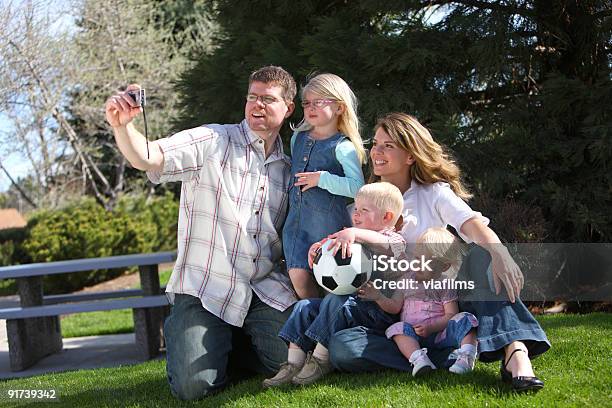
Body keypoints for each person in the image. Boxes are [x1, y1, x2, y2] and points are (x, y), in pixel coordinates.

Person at [104, 66, 299, 400]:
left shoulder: (288, 168)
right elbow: (149, 157)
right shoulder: (213, 140)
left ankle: (227, 343)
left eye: (268, 99)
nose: (257, 104)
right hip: (204, 288)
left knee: (292, 363)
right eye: (252, 97)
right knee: (194, 388)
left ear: (288, 108)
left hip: (261, 289)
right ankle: (199, 340)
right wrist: (124, 128)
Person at [328, 112, 549, 392]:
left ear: (410, 156)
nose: (377, 152)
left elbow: (472, 225)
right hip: (395, 311)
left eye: (389, 146)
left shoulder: (433, 193)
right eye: (376, 144)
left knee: (482, 256)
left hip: (445, 303)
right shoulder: (365, 199)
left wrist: (501, 253)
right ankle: (442, 355)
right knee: (343, 348)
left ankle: (516, 351)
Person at [263, 182, 405, 387]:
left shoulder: (394, 240)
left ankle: (321, 359)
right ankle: (293, 363)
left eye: (364, 210)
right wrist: (319, 250)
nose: (356, 214)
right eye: (355, 208)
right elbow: (329, 247)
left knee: (336, 298)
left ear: (387, 217)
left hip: (375, 314)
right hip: (346, 308)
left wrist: (353, 234)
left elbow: (386, 245)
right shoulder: (351, 236)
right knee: (305, 306)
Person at [282, 73, 366, 299]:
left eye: (318, 102)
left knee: (333, 282)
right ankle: (310, 319)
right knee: (299, 277)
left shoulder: (343, 146)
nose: (310, 108)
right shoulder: (297, 137)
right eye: (307, 103)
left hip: (328, 228)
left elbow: (358, 189)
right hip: (296, 224)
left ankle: (326, 325)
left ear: (339, 108)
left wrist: (322, 179)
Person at [362, 227, 478, 377]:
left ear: (443, 266)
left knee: (466, 319)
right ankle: (419, 359)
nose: (418, 264)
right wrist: (378, 297)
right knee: (397, 328)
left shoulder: (444, 284)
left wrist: (431, 327)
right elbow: (395, 307)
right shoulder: (406, 279)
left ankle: (467, 357)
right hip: (413, 335)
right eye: (416, 258)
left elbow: (451, 314)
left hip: (439, 335)